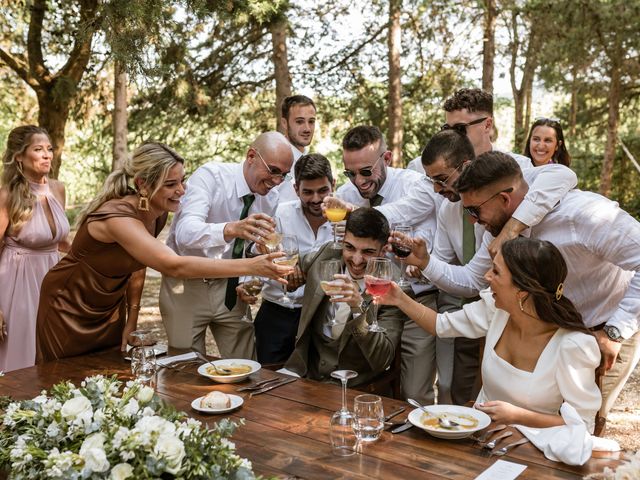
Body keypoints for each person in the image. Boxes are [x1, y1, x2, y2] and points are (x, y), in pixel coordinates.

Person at [409, 150, 640, 434]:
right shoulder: (498, 230)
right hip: (546, 331)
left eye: (473, 211)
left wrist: (615, 331)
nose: (471, 221)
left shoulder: (584, 216)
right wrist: (425, 263)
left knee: (585, 428)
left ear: (505, 199)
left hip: (607, 327)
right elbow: (472, 279)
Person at [36, 142, 291, 363]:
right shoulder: (117, 217)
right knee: (62, 382)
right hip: (69, 305)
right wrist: (252, 266)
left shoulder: (154, 214)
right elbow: (173, 265)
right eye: (171, 184)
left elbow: (137, 264)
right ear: (143, 185)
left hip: (108, 308)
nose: (182, 190)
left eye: (182, 180)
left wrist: (132, 316)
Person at [418, 129, 577, 405]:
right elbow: (472, 279)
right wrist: (423, 263)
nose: (437, 189)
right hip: (509, 307)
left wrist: (512, 228)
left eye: (441, 179)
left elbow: (564, 175)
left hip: (574, 321)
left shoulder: (524, 181)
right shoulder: (485, 224)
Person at [377, 237, 602, 431]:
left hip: (536, 452)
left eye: (496, 271)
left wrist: (519, 417)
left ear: (522, 292)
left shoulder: (573, 346)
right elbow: (440, 325)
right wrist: (398, 298)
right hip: (480, 435)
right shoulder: (496, 311)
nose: (486, 276)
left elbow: (583, 424)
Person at [332, 125, 441, 405]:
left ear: (388, 159)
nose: (358, 181)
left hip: (416, 298)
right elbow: (333, 242)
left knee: (415, 394)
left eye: (366, 171)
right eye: (350, 173)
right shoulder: (346, 193)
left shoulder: (414, 185)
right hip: (371, 303)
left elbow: (420, 230)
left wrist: (358, 214)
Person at [160, 131, 294, 359]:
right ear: (251, 156)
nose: (277, 181)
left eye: (284, 174)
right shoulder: (210, 176)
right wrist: (230, 229)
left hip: (231, 289)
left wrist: (248, 280)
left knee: (246, 365)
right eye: (273, 171)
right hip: (185, 287)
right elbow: (184, 233)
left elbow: (250, 248)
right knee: (184, 369)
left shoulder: (269, 197)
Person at [283, 208, 404, 388]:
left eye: (368, 252)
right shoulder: (325, 254)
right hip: (305, 375)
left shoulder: (393, 288)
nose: (356, 260)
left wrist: (358, 308)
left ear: (383, 250)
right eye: (349, 247)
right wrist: (290, 278)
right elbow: (291, 265)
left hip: (358, 388)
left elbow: (382, 358)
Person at [242, 153, 334, 364]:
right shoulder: (281, 214)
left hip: (320, 317)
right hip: (276, 313)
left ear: (333, 185)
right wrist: (269, 272)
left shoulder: (344, 221)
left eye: (323, 190)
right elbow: (261, 253)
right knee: (267, 377)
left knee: (314, 386)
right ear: (295, 190)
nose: (316, 199)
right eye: (307, 192)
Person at [0, 126, 70, 372]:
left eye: (49, 149)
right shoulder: (7, 196)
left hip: (53, 278)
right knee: (22, 353)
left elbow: (61, 242)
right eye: (38, 149)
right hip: (18, 281)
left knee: (54, 352)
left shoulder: (58, 189)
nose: (46, 155)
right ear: (19, 156)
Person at [277, 95, 317, 203]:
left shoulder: (311, 160)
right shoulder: (273, 161)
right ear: (285, 123)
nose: (307, 129)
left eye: (311, 121)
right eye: (299, 122)